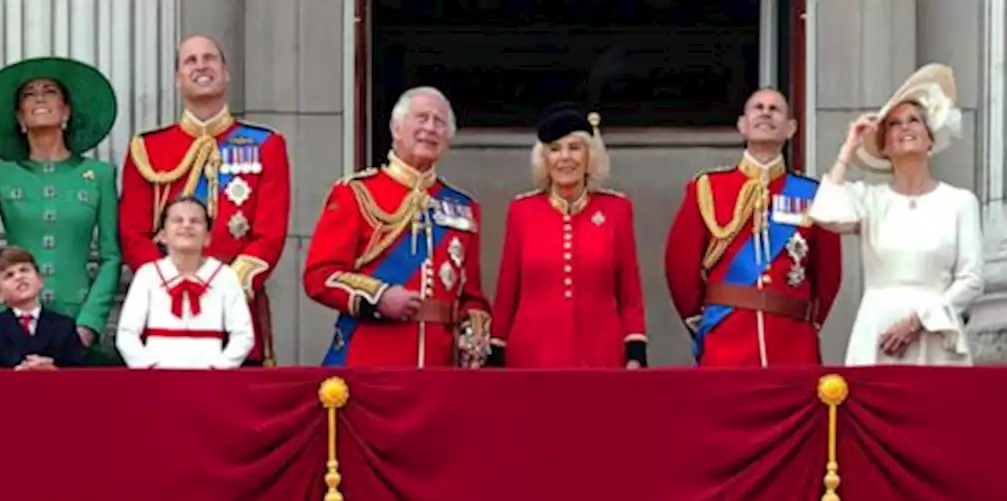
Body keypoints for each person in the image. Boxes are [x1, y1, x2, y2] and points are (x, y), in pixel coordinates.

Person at [118, 34, 291, 367]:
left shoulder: (266, 144)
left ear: (226, 72)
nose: (201, 66)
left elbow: (269, 235)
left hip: (236, 305)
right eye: (190, 61)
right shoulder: (148, 148)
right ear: (177, 77)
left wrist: (223, 287)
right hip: (163, 312)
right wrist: (166, 282)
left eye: (209, 58)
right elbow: (133, 233)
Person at [0, 56, 121, 364]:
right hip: (17, 322)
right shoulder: (1, 174)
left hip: (76, 320)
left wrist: (90, 322)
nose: (39, 97)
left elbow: (111, 256)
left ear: (66, 111)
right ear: (20, 117)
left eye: (50, 91)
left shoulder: (98, 174)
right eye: (29, 94)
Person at [304, 87, 492, 368]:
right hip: (371, 358)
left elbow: (472, 296)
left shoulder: (463, 207)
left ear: (448, 139)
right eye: (421, 118)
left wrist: (475, 330)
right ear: (396, 128)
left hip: (439, 364)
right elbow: (320, 276)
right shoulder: (355, 193)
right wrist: (378, 297)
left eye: (439, 122)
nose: (430, 128)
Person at [808, 64, 983, 366]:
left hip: (936, 333)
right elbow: (825, 214)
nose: (905, 127)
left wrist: (919, 321)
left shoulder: (959, 201)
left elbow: (972, 279)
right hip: (878, 332)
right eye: (894, 124)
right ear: (884, 147)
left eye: (914, 120)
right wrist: (849, 148)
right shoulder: (870, 199)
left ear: (930, 140)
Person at [664, 88, 843, 367]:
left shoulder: (813, 195)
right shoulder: (707, 188)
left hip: (792, 344)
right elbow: (681, 268)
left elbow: (828, 275)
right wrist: (709, 320)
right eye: (757, 107)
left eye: (775, 109)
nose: (766, 112)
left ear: (791, 128)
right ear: (742, 126)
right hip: (726, 339)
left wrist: (804, 318)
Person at [488, 102, 648, 369]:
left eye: (575, 148)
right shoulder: (522, 211)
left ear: (590, 156)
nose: (565, 158)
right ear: (544, 159)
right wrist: (496, 350)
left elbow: (630, 294)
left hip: (601, 355)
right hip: (531, 356)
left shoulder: (617, 210)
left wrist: (635, 353)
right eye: (554, 149)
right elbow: (506, 292)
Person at [116, 196, 253, 369]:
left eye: (195, 221)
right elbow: (126, 332)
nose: (186, 225)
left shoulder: (225, 276)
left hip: (210, 379)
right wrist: (148, 367)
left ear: (208, 237)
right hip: (157, 379)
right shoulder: (148, 275)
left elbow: (243, 334)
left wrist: (219, 368)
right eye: (177, 220)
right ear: (163, 235)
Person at [0, 247, 87, 369]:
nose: (19, 277)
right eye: (9, 275)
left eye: (24, 270)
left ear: (40, 280)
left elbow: (78, 375)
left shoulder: (64, 326)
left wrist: (54, 371)